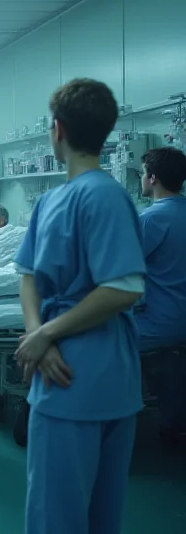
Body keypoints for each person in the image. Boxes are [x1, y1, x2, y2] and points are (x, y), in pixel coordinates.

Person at [13, 79, 145, 534]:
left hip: (72, 370)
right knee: (94, 512)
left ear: (57, 131)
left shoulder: (100, 194)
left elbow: (124, 287)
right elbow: (26, 272)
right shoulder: (54, 198)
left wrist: (47, 334)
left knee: (60, 513)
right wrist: (36, 332)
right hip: (83, 363)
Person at [135, 146, 186, 442]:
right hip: (177, 321)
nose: (142, 179)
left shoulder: (153, 219)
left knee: (99, 335)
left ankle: (109, 418)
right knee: (168, 355)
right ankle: (172, 418)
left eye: (142, 173)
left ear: (152, 178)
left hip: (161, 322)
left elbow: (118, 266)